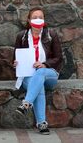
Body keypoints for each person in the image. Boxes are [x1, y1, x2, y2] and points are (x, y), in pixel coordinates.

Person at [13, 7, 63, 135]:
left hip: (49, 74)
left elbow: (58, 58)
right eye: (34, 17)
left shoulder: (51, 35)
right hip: (28, 76)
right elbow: (15, 58)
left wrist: (45, 64)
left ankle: (26, 103)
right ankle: (42, 124)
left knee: (40, 73)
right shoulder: (21, 36)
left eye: (40, 17)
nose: (38, 19)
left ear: (44, 20)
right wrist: (15, 63)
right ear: (29, 20)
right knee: (37, 84)